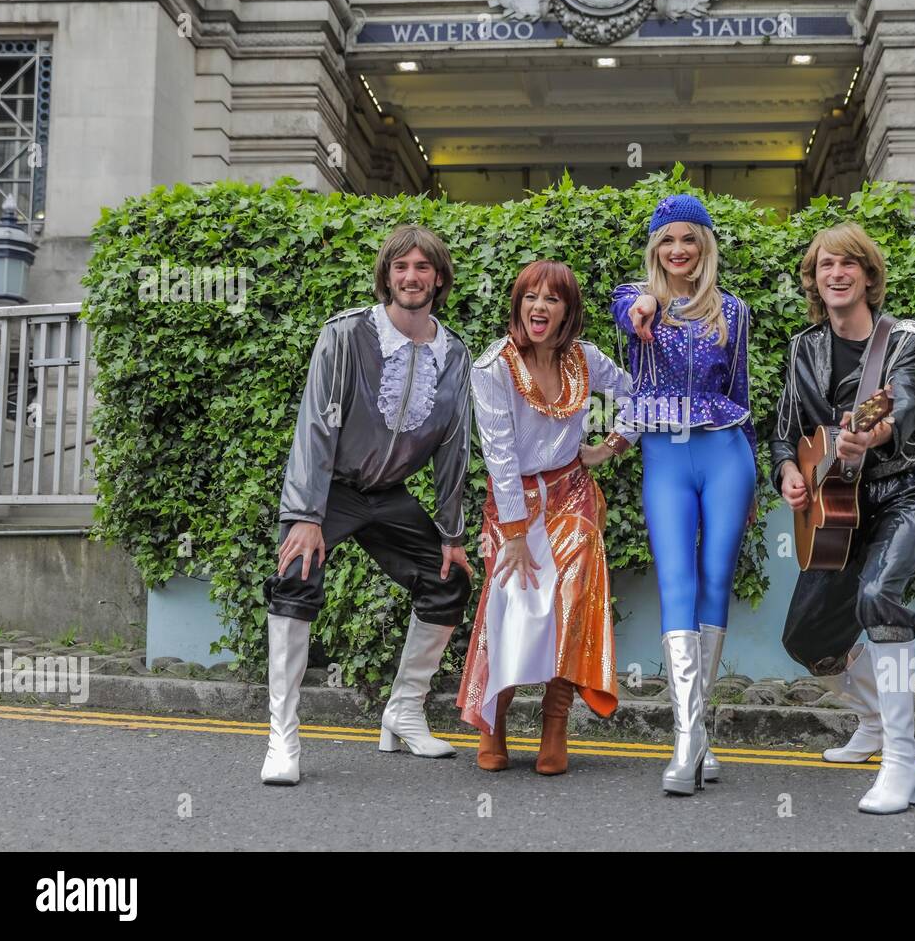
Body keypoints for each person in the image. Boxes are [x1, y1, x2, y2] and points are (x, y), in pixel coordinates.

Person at [260, 224, 474, 785]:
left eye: (422, 267)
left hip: (390, 495)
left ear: (438, 279)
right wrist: (306, 517)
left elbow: (454, 447)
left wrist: (451, 534)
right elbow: (315, 427)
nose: (411, 277)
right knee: (295, 574)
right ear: (387, 276)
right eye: (401, 267)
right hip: (333, 490)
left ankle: (403, 712)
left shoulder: (454, 356)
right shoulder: (347, 334)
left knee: (447, 580)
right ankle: (283, 736)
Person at [771, 221, 915, 814]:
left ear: (869, 276)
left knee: (877, 599)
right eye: (825, 265)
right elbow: (785, 434)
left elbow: (911, 404)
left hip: (904, 493)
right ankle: (873, 719)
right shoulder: (803, 348)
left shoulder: (907, 339)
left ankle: (903, 762)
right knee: (806, 637)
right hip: (835, 509)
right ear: (814, 280)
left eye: (848, 264)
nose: (836, 274)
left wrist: (874, 436)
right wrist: (790, 475)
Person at [458, 260, 637, 775]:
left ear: (567, 311)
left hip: (572, 498)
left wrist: (609, 446)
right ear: (517, 303)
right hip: (514, 505)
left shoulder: (585, 359)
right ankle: (495, 725)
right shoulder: (494, 365)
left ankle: (555, 726)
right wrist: (513, 534)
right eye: (530, 296)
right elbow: (500, 457)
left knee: (569, 607)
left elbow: (636, 396)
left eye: (552, 299)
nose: (540, 306)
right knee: (510, 608)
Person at [611, 194, 757, 796]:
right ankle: (685, 737)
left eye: (689, 239)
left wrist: (754, 477)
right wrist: (645, 304)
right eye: (667, 240)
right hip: (665, 453)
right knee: (677, 581)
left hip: (727, 453)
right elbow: (628, 314)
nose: (678, 250)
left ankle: (698, 732)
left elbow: (742, 386)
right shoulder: (634, 301)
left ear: (704, 247)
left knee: (717, 581)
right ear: (655, 249)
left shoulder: (735, 310)